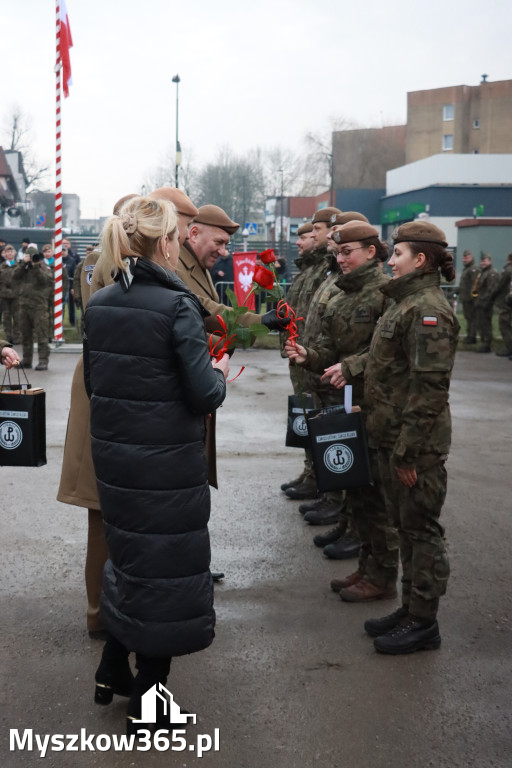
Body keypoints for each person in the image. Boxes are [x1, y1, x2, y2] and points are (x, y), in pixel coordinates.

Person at [84, 196, 229, 735]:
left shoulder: (99, 305)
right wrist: (218, 377)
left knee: (130, 561)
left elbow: (96, 384)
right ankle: (149, 704)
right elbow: (201, 394)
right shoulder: (177, 308)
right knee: (164, 574)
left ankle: (111, 668)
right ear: (167, 242)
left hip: (119, 460)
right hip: (166, 466)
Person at [329, 221, 459, 653]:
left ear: (420, 259)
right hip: (391, 437)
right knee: (405, 528)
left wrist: (408, 451)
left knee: (421, 532)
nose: (391, 261)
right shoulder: (403, 304)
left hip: (414, 447)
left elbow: (429, 391)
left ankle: (425, 623)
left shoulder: (429, 312)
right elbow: (384, 359)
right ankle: (411, 609)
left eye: (398, 254)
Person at [287, 221, 399, 602]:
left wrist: (351, 367)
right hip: (347, 402)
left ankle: (381, 576)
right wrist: (309, 356)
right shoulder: (341, 292)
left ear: (371, 252)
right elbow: (331, 348)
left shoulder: (386, 293)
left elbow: (389, 352)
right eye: (337, 252)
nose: (340, 258)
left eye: (347, 251)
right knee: (358, 489)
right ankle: (367, 569)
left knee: (377, 496)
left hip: (374, 404)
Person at [58, 196, 136, 638]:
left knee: (108, 515)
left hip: (102, 385)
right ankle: (101, 613)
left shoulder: (100, 262)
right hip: (105, 390)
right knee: (102, 515)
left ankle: (105, 611)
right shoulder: (105, 265)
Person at [282, 206, 341, 501]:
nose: (306, 238)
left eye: (314, 231)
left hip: (318, 356)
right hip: (304, 353)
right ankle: (312, 471)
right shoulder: (314, 270)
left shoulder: (329, 269)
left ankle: (321, 477)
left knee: (322, 418)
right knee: (308, 413)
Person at [13, 247, 53, 370]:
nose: (31, 259)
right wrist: (23, 264)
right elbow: (14, 276)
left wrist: (35, 266)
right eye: (29, 256)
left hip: (39, 307)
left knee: (41, 335)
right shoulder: (22, 268)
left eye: (33, 257)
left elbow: (45, 280)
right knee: (25, 335)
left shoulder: (43, 268)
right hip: (24, 305)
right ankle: (26, 360)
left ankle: (43, 361)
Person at [474, 253, 499, 353]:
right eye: (482, 261)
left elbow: (491, 290)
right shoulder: (483, 272)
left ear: (489, 261)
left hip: (486, 303)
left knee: (486, 324)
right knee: (481, 323)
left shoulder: (491, 273)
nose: (482, 263)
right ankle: (484, 342)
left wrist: (486, 302)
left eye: (484, 261)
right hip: (481, 303)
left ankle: (487, 344)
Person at [458, 250, 479, 344]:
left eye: (466, 258)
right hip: (465, 298)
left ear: (471, 257)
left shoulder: (473, 269)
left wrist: (473, 297)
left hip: (471, 299)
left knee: (472, 318)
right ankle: (469, 335)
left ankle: (472, 337)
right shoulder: (466, 269)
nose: (464, 260)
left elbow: (475, 284)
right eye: (463, 258)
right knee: (468, 318)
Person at [0, 244, 20, 343]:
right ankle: (8, 336)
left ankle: (16, 336)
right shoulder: (2, 267)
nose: (10, 254)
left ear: (14, 254)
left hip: (16, 295)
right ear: (5, 254)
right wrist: (5, 291)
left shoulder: (18, 266)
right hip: (5, 296)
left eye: (11, 252)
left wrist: (16, 291)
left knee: (17, 317)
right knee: (6, 317)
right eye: (8, 252)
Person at [493, 253, 512, 357]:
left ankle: (509, 347)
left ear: (507, 259)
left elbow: (500, 285)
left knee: (504, 325)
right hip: (508, 301)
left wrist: (492, 296)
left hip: (506, 302)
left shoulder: (508, 270)